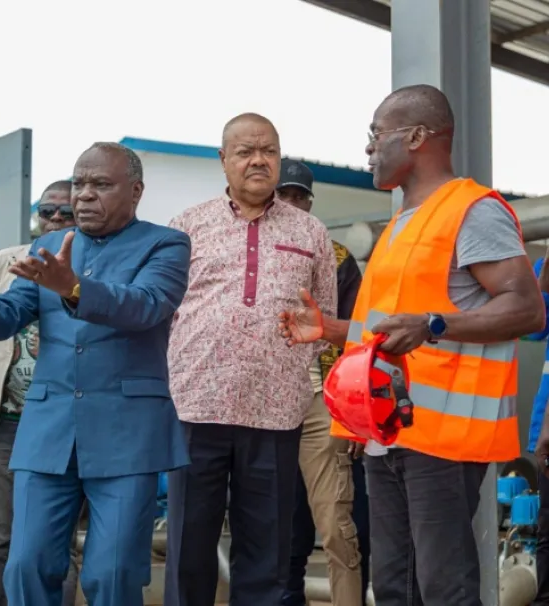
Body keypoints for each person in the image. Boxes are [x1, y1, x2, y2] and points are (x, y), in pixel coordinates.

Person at [280, 84, 545, 606]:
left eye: (377, 134)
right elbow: (390, 332)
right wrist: (332, 329)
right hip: (387, 432)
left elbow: (526, 308)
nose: (369, 148)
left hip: (442, 440)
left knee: (444, 587)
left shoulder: (471, 211)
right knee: (395, 587)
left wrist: (434, 324)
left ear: (418, 136)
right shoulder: (403, 221)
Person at [0, 142, 191, 606]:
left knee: (112, 572)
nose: (84, 194)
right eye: (79, 183)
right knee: (26, 565)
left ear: (136, 191)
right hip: (48, 433)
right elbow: (6, 315)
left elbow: (146, 306)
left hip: (126, 436)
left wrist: (74, 288)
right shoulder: (48, 246)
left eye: (101, 184)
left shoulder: (166, 243)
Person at [163, 114, 337, 606]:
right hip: (196, 408)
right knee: (188, 548)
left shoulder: (312, 232)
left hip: (276, 413)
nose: (259, 161)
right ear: (223, 160)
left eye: (269, 151)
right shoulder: (186, 226)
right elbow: (164, 313)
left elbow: (323, 321)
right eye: (245, 152)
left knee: (267, 555)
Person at [0, 180, 80, 606]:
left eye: (67, 212)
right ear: (36, 217)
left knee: (59, 541)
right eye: (48, 211)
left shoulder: (89, 268)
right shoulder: (5, 262)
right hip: (5, 422)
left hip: (63, 426)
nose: (56, 219)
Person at [275, 159, 369, 606]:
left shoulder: (338, 257)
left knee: (337, 525)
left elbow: (362, 336)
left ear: (310, 203)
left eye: (300, 196)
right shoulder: (247, 253)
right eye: (284, 195)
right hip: (265, 405)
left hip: (323, 404)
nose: (292, 204)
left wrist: (354, 415)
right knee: (279, 528)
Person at [525, 245, 549, 605]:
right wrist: (543, 283)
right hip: (546, 423)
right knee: (546, 531)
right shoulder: (544, 266)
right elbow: (532, 330)